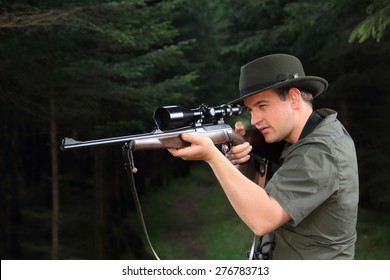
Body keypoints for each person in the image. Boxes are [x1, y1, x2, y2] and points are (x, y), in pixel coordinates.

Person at [168, 54, 359, 260]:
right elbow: (262, 195)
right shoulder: (300, 137)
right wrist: (244, 161)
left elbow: (262, 220)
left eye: (262, 106)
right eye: (250, 110)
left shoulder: (321, 150)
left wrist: (213, 157)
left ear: (294, 98)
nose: (254, 119)